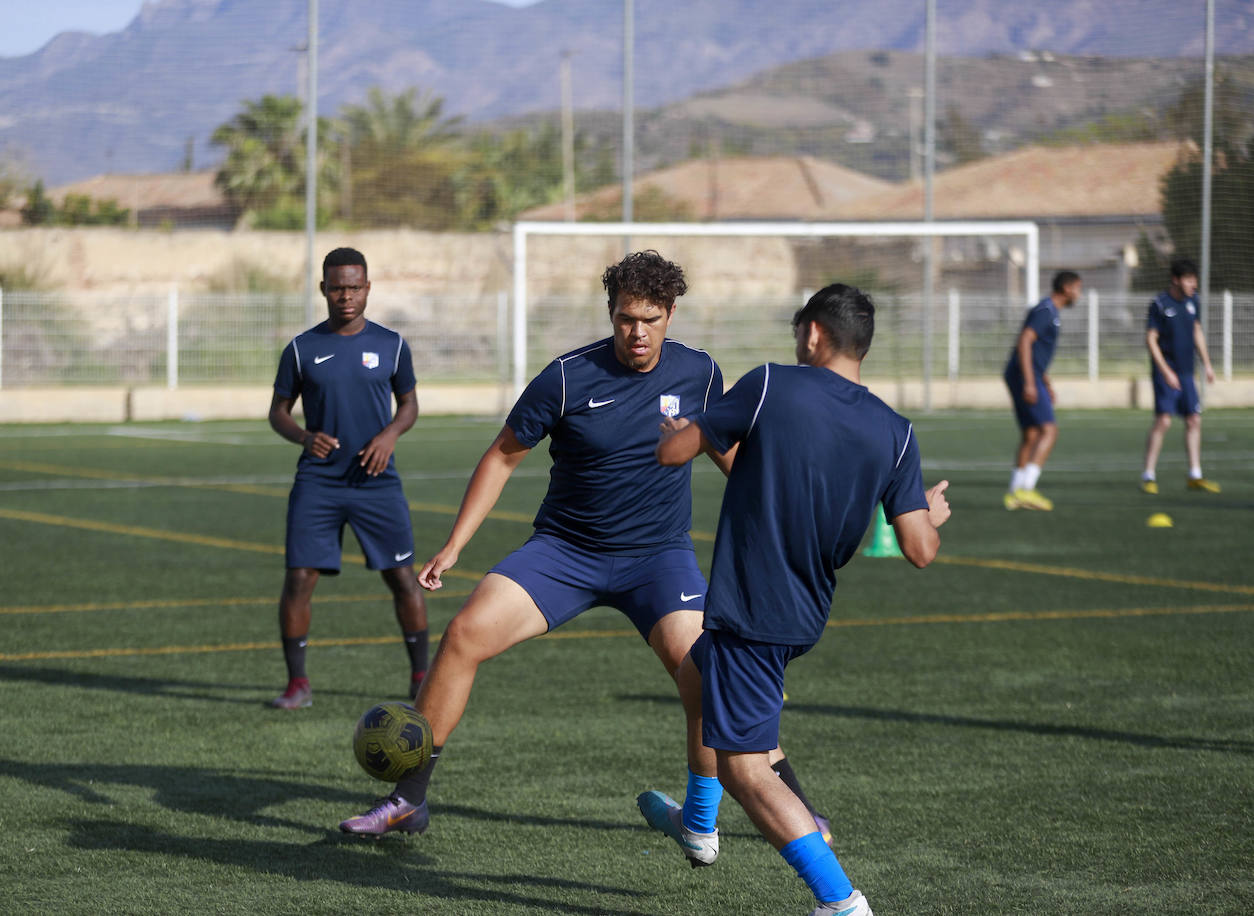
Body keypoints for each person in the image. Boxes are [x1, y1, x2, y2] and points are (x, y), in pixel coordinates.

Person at [339, 250, 822, 843]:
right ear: (610, 313)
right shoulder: (566, 377)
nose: (637, 332)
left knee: (708, 672)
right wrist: (456, 544)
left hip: (658, 559)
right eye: (625, 319)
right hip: (565, 553)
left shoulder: (700, 373)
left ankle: (750, 814)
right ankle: (408, 800)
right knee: (464, 634)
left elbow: (729, 455)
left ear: (671, 314)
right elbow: (501, 457)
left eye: (649, 320)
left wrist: (786, 523)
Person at [640, 284, 951, 916]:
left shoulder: (770, 385)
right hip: (804, 609)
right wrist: (930, 514)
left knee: (745, 769)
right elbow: (920, 549)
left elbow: (671, 453)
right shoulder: (896, 431)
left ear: (812, 333)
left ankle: (841, 901)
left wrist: (687, 432)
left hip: (754, 606)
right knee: (697, 673)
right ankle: (697, 822)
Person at [266, 247, 428, 709]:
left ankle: (421, 678)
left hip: (376, 481)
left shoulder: (392, 345)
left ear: (368, 288)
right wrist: (304, 437)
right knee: (299, 578)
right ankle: (297, 684)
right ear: (323, 289)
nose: (346, 296)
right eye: (337, 288)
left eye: (355, 287)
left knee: (402, 577)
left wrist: (390, 436)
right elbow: (278, 412)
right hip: (319, 482)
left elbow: (409, 404)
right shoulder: (302, 349)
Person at [1002, 270, 1081, 511]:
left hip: (1026, 375)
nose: (1079, 294)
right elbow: (1025, 341)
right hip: (1024, 376)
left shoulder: (1049, 311)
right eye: (1078, 288)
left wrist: (1045, 382)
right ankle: (1027, 490)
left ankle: (1014, 492)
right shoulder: (1046, 310)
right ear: (1067, 288)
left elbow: (1036, 352)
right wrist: (1029, 382)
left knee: (1031, 433)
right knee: (1050, 430)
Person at [1140, 258, 1219, 494]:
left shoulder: (1193, 301)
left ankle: (1195, 475)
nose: (1194, 284)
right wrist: (1165, 371)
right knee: (1163, 420)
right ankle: (1148, 475)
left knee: (1193, 420)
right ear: (1176, 280)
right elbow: (1151, 339)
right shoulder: (1160, 304)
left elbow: (1197, 331)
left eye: (1195, 279)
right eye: (1189, 279)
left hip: (1186, 372)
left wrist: (1207, 364)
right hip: (1166, 372)